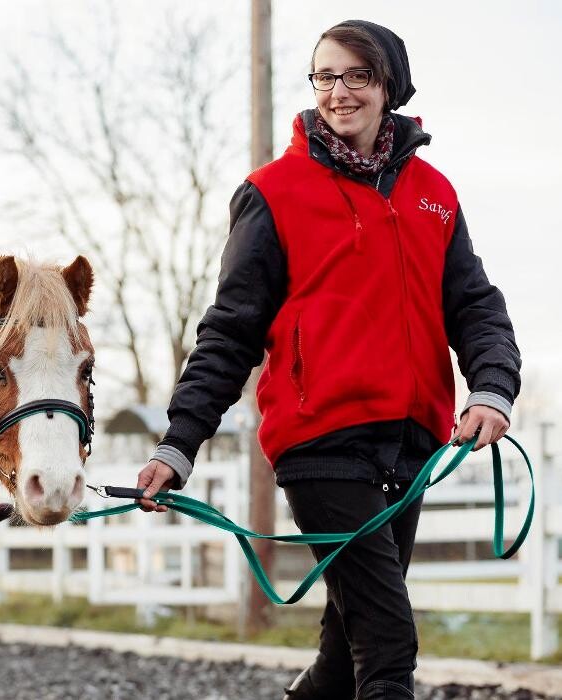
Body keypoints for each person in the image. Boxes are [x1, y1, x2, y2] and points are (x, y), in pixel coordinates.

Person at [135, 19, 520, 700]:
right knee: (388, 639)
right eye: (326, 76)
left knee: (347, 648)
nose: (339, 92)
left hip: (413, 444)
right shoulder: (273, 193)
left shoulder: (434, 193)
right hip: (320, 441)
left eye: (357, 75)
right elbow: (230, 331)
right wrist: (178, 444)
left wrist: (491, 388)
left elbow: (475, 305)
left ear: (389, 85)